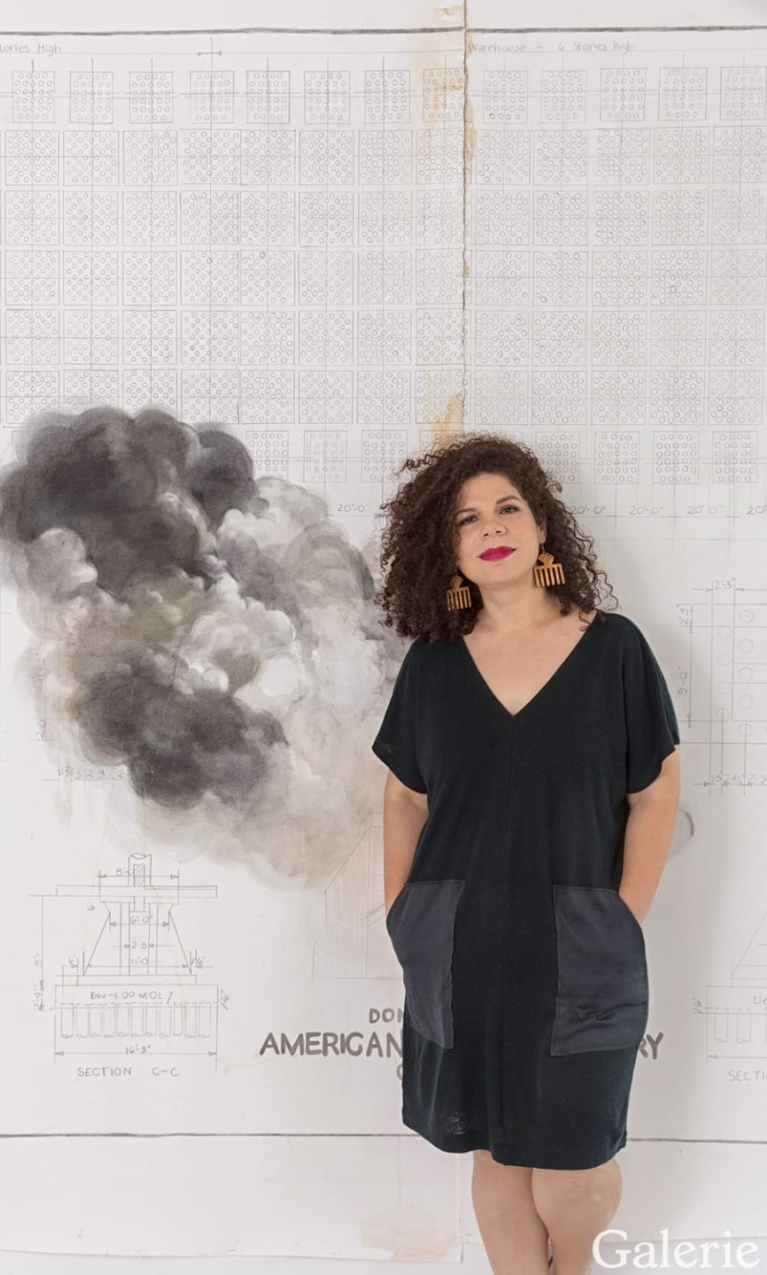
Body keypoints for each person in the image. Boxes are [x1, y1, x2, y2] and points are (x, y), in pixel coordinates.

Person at [370, 434, 681, 1275]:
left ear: (543, 527)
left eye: (509, 506)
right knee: (495, 1153)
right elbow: (403, 792)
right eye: (468, 518)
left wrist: (621, 915)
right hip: (459, 951)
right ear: (449, 548)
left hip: (581, 949)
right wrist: (404, 910)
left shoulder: (614, 650)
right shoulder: (432, 667)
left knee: (572, 1170)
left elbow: (654, 791)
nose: (492, 525)